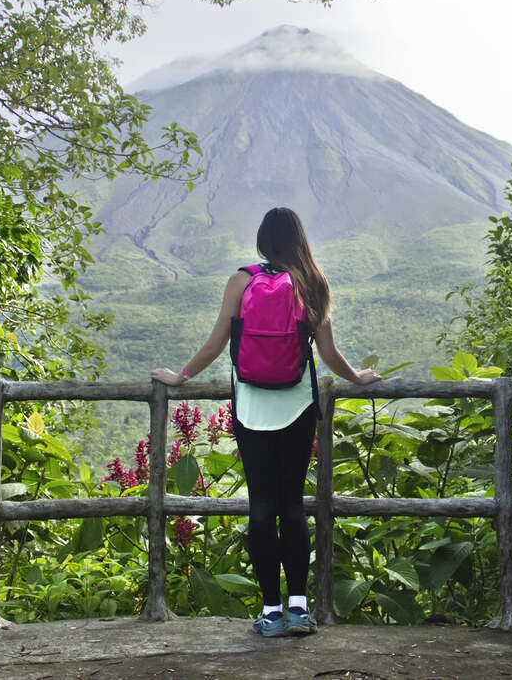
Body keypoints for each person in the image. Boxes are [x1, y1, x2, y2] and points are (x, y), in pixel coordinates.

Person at [152, 207, 381, 637]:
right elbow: (329, 355)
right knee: (292, 507)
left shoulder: (241, 280)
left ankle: (271, 612)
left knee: (261, 509)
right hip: (296, 406)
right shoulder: (312, 282)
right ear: (299, 240)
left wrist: (180, 377)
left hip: (250, 407)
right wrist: (357, 378)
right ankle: (299, 608)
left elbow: (217, 342)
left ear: (262, 240)